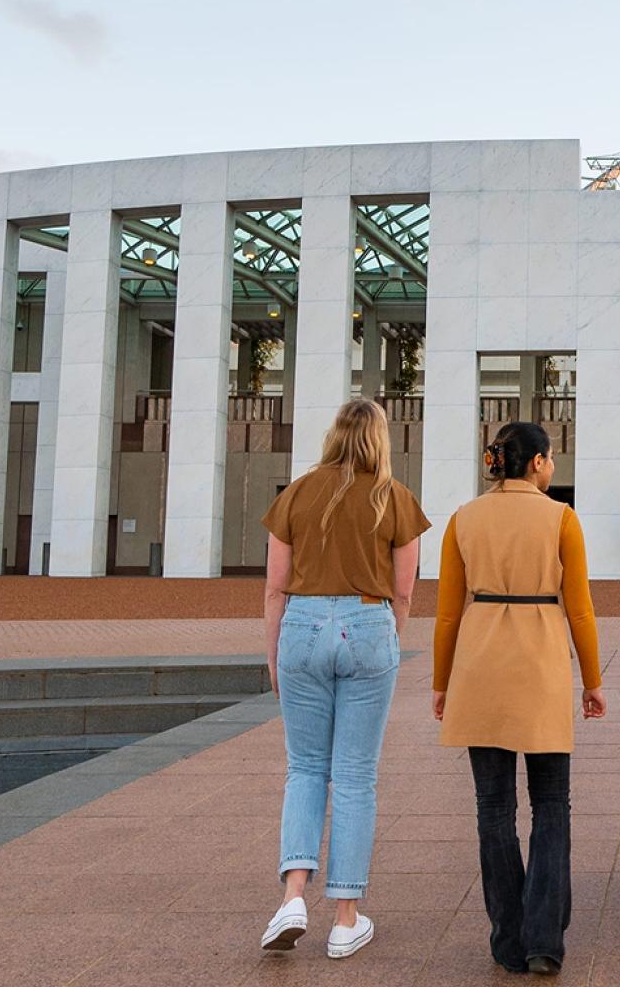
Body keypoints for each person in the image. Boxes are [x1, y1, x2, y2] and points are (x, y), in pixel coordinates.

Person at [431, 422, 606, 976]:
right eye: (551, 459)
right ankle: (544, 938)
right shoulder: (561, 518)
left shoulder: (462, 519)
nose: (553, 467)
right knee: (552, 805)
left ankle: (507, 938)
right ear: (535, 463)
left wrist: (441, 683)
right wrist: (593, 680)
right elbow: (579, 608)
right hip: (541, 664)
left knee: (494, 808)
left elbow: (446, 614)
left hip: (479, 664)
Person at [257, 398, 429, 957]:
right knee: (355, 775)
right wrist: (388, 638)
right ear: (380, 439)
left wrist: (273, 653)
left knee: (305, 768)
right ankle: (345, 918)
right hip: (368, 619)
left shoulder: (297, 494)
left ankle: (292, 897)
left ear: (333, 435)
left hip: (301, 626)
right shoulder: (394, 498)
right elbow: (404, 590)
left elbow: (274, 588)